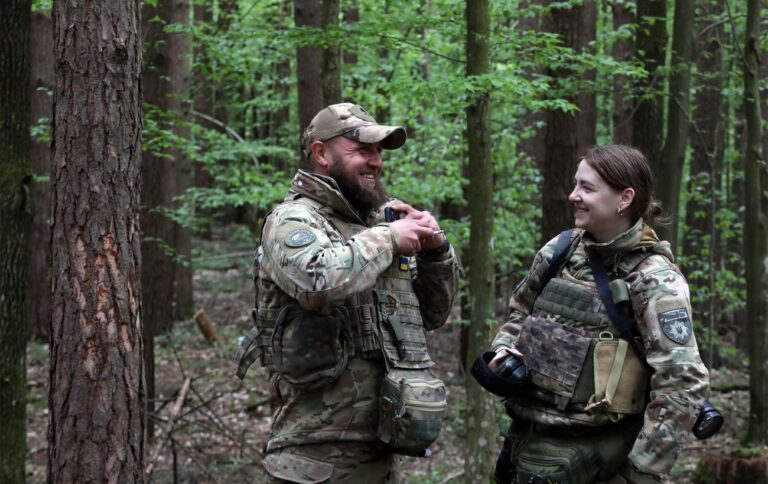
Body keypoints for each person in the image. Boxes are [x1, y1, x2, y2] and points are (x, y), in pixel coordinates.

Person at [235, 103, 460, 483]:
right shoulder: (293, 220)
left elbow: (432, 316)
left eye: (379, 152)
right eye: (362, 150)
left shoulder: (376, 226)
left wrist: (436, 249)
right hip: (311, 463)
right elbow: (318, 283)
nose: (376, 162)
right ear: (322, 154)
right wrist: (388, 238)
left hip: (380, 458)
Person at [486, 145, 710, 483]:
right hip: (525, 446)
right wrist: (504, 349)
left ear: (625, 198)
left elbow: (683, 384)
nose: (573, 195)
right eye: (575, 184)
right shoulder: (559, 250)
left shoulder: (654, 280)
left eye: (587, 188)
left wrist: (639, 472)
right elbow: (519, 313)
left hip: (601, 460)